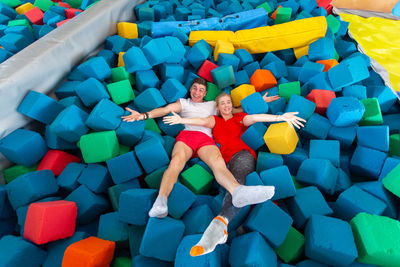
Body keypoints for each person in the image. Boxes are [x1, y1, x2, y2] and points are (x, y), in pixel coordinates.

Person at [162, 92, 306, 256]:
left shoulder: (240, 118)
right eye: (222, 103)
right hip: (223, 164)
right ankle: (236, 228)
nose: (226, 105)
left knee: (237, 184)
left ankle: (219, 226)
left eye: (228, 102)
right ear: (217, 107)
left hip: (242, 156)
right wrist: (181, 120)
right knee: (233, 190)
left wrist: (281, 117)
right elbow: (200, 121)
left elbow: (256, 117)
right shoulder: (214, 121)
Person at [121, 77, 280, 219]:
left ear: (205, 93)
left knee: (218, 164)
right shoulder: (183, 103)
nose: (197, 92)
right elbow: (165, 110)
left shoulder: (212, 105)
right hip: (187, 137)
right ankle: (161, 201)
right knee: (176, 162)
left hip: (206, 140)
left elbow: (234, 110)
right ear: (190, 89)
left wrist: (260, 102)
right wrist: (143, 115)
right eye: (195, 88)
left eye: (201, 90)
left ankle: (237, 190)